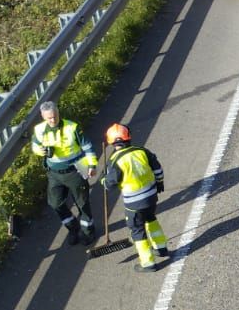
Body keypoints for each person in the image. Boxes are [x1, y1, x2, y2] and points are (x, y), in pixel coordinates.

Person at [30, 99, 97, 246]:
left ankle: (88, 232)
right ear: (43, 116)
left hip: (76, 170)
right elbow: (34, 145)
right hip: (54, 173)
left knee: (82, 203)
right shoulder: (39, 129)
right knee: (55, 203)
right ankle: (73, 228)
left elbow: (87, 146)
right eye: (49, 118)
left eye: (55, 116)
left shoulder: (72, 127)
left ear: (58, 112)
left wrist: (92, 165)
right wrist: (39, 151)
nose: (53, 120)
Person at [102, 123, 168, 272]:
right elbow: (157, 169)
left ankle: (148, 263)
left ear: (111, 142)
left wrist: (103, 181)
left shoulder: (114, 160)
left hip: (134, 202)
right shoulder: (142, 151)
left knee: (137, 230)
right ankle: (161, 248)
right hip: (151, 196)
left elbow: (110, 184)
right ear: (128, 137)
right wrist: (159, 182)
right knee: (151, 219)